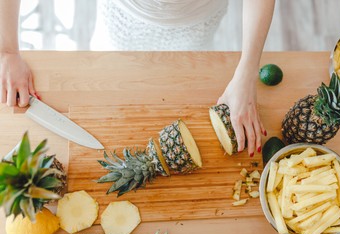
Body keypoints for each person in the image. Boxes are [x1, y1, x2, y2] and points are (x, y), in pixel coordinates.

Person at [0, 0, 275, 157]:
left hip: (198, 20)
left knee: (188, 65)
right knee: (111, 61)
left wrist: (247, 74)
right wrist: (7, 50)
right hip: (122, 15)